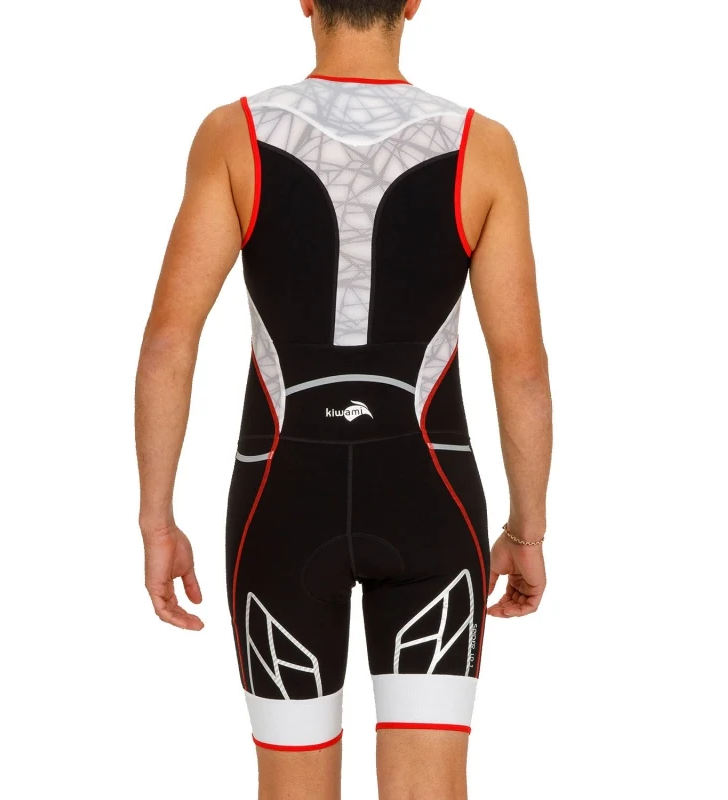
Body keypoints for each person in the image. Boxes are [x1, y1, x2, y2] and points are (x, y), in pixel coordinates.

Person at [135, 0, 552, 797]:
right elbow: (522, 367)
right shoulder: (481, 147)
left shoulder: (236, 135)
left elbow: (167, 342)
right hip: (432, 500)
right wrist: (525, 532)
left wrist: (158, 521)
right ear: (413, 2)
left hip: (279, 502)